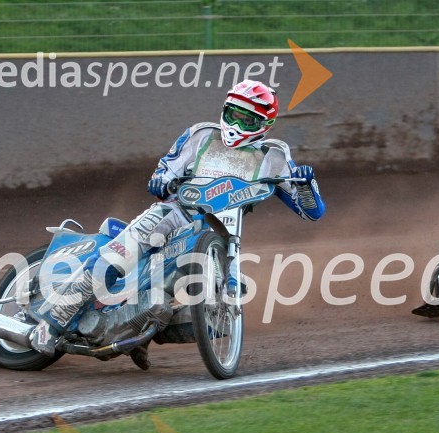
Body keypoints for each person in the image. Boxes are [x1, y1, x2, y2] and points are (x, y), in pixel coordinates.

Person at [30, 80, 325, 359]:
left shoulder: (275, 156)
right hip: (173, 213)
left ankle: (138, 332)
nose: (236, 125)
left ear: (264, 124)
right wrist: (161, 180)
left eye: (247, 120)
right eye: (233, 115)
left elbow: (310, 211)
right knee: (119, 254)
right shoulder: (200, 135)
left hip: (222, 227)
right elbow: (165, 169)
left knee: (216, 314)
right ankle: (52, 323)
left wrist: (305, 183)